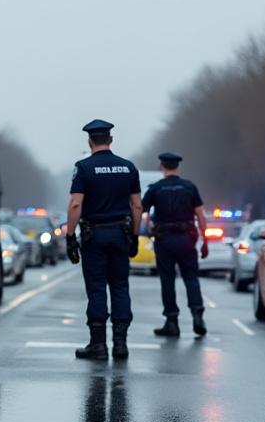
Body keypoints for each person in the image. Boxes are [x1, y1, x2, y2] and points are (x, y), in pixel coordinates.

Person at [65, 119, 142, 360]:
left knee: (97, 288)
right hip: (120, 234)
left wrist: (70, 236)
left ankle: (98, 345)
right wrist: (135, 236)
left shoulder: (84, 168)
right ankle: (121, 345)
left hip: (94, 236)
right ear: (111, 139)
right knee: (120, 286)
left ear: (90, 141)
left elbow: (76, 203)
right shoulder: (128, 167)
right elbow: (137, 205)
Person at [141, 152, 209, 338]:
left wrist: (143, 231)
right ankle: (197, 316)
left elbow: (141, 211)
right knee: (191, 278)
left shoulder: (155, 188)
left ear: (162, 166)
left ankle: (172, 321)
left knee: (167, 280)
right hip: (187, 239)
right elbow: (201, 216)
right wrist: (205, 241)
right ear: (177, 167)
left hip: (164, 240)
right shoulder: (190, 187)